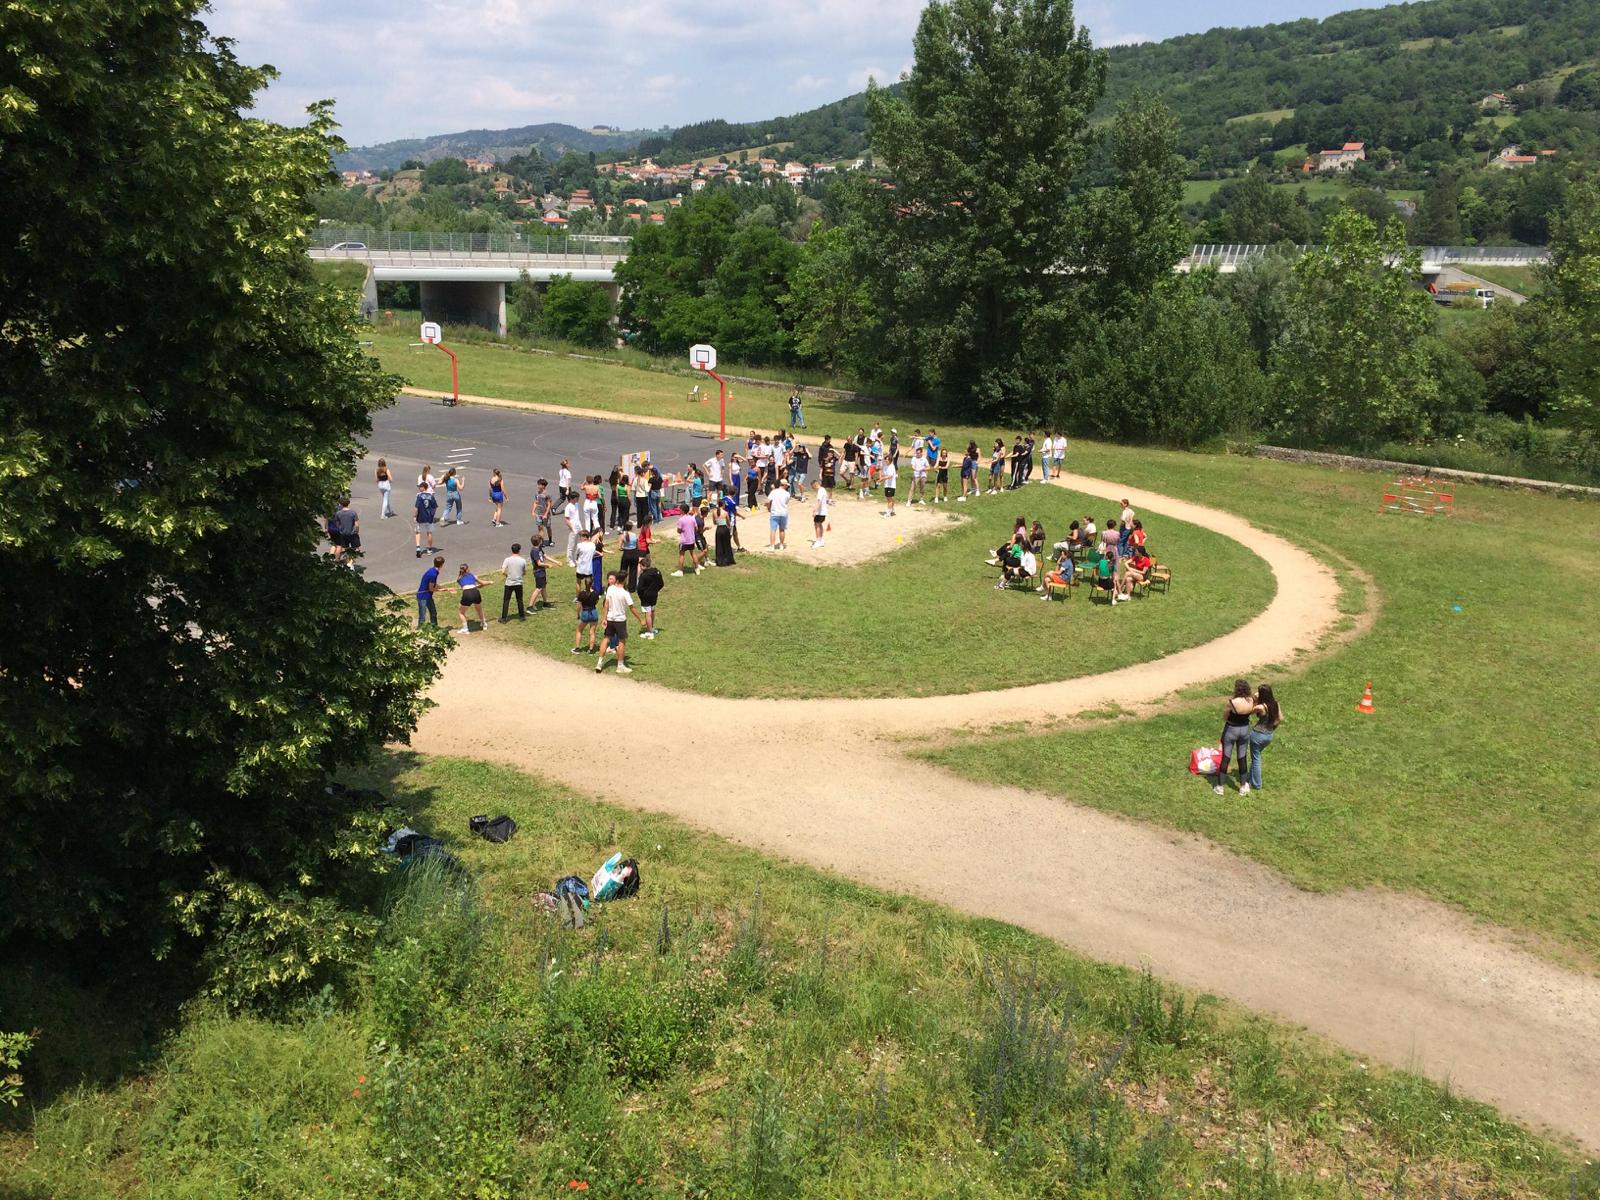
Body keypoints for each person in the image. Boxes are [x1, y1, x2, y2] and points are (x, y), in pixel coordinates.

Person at [1213, 680, 1256, 795]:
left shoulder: (1232, 702)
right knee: (1242, 757)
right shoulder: (1251, 700)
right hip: (1244, 730)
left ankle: (1220, 787)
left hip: (1231, 731)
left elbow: (1225, 717)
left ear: (1236, 689)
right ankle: (1243, 786)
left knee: (1226, 757)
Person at [596, 571, 641, 674]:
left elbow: (606, 604)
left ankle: (599, 663)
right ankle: (620, 665)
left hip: (610, 618)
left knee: (606, 638)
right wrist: (640, 619)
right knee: (621, 641)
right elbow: (632, 608)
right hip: (620, 620)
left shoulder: (610, 589)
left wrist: (604, 618)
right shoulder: (625, 593)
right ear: (624, 579)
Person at [1246, 684, 1282, 794]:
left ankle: (1256, 783)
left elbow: (1247, 710)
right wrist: (1272, 728)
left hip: (1258, 735)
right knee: (1256, 756)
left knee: (1256, 759)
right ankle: (1252, 778)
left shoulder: (1261, 707)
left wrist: (1254, 698)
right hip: (1269, 735)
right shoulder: (1276, 704)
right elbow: (1280, 718)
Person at [636, 553, 664, 639]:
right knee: (652, 611)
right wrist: (656, 590)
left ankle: (649, 632)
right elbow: (661, 584)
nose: (640, 568)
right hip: (654, 595)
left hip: (645, 597)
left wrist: (641, 596)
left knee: (647, 614)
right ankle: (652, 628)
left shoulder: (643, 575)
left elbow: (639, 588)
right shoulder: (657, 572)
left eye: (640, 566)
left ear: (644, 566)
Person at [501, 542, 528, 621]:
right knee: (519, 600)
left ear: (512, 550)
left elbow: (502, 571)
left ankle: (504, 618)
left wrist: (507, 575)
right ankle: (522, 616)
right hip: (518, 583)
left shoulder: (507, 560)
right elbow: (524, 572)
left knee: (506, 600)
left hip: (509, 583)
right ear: (519, 550)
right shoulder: (522, 560)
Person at [455, 563, 484, 633]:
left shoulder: (459, 579)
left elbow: (463, 586)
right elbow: (482, 583)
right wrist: (481, 585)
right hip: (475, 592)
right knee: (479, 609)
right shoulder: (473, 576)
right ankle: (484, 623)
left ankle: (465, 629)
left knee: (461, 612)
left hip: (467, 593)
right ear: (467, 569)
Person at [673, 507, 702, 576]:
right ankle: (697, 568)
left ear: (682, 511)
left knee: (681, 555)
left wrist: (683, 531)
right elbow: (696, 528)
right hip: (691, 540)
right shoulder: (692, 518)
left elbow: (678, 530)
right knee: (693, 554)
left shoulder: (681, 519)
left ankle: (680, 571)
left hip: (684, 541)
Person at [416, 555, 444, 627]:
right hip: (423, 596)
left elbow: (433, 583)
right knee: (422, 615)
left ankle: (434, 627)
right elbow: (431, 588)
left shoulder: (432, 570)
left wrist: (442, 587)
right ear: (441, 565)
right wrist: (439, 590)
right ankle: (420, 629)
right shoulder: (433, 574)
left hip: (428, 596)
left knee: (433, 612)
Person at [330, 497, 359, 564]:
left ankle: (344, 560)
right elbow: (356, 524)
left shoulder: (338, 513)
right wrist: (356, 531)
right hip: (352, 533)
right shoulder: (353, 513)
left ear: (340, 504)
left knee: (345, 548)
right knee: (355, 547)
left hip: (342, 533)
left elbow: (337, 524)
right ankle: (350, 561)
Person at [573, 582, 600, 655]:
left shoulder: (581, 594)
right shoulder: (595, 593)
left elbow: (579, 605)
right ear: (592, 584)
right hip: (593, 612)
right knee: (592, 632)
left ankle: (577, 648)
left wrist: (578, 614)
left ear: (585, 584)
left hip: (585, 612)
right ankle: (591, 650)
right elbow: (596, 602)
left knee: (579, 630)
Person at [413, 486, 438, 558]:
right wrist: (433, 514)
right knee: (429, 532)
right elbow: (435, 507)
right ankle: (429, 549)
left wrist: (414, 516)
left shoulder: (419, 496)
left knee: (418, 532)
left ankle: (418, 548)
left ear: (423, 488)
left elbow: (416, 507)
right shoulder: (431, 496)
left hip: (420, 516)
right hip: (428, 516)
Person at [766, 477, 791, 550]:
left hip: (774, 512)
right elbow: (786, 502)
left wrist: (768, 508)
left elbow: (767, 501)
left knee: (773, 530)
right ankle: (781, 545)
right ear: (784, 485)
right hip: (783, 513)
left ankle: (772, 546)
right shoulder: (787, 493)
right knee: (782, 530)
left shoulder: (774, 492)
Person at [573, 526, 597, 595]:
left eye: (580, 537)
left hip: (580, 568)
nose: (580, 538)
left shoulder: (579, 545)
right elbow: (593, 554)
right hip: (588, 568)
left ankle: (578, 597)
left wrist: (577, 560)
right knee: (588, 583)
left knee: (578, 582)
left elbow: (576, 554)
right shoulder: (593, 545)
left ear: (584, 537)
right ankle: (588, 595)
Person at [529, 536, 551, 609]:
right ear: (539, 542)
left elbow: (545, 556)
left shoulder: (539, 549)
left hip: (542, 571)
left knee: (543, 587)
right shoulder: (535, 551)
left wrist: (556, 562)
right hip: (538, 572)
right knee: (538, 588)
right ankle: (530, 606)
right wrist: (547, 565)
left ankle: (545, 603)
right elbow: (539, 563)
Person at [712, 498, 736, 566]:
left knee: (719, 545)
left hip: (719, 529)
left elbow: (714, 522)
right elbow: (728, 522)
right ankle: (727, 559)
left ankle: (719, 560)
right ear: (723, 505)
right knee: (726, 544)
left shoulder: (714, 512)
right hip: (725, 529)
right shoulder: (725, 513)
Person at [619, 522, 642, 591]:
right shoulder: (635, 535)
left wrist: (624, 547)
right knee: (633, 570)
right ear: (631, 527)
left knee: (623, 570)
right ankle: (632, 588)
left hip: (626, 553)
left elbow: (620, 547)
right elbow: (638, 546)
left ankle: (621, 585)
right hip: (634, 553)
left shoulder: (622, 535)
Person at [533, 478, 554, 547]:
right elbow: (536, 502)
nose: (538, 486)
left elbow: (549, 505)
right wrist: (533, 511)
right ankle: (541, 542)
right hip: (538, 513)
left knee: (548, 527)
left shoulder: (547, 494)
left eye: (539, 485)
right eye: (538, 485)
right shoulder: (537, 493)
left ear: (544, 486)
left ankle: (550, 540)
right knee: (540, 528)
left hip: (546, 514)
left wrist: (545, 514)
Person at [562, 491, 581, 565]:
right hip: (572, 528)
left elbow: (577, 516)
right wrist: (572, 528)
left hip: (578, 527)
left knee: (576, 544)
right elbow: (567, 519)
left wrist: (580, 527)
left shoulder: (576, 505)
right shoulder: (568, 507)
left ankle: (574, 558)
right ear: (573, 498)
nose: (578, 499)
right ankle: (569, 560)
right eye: (577, 498)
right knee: (571, 545)